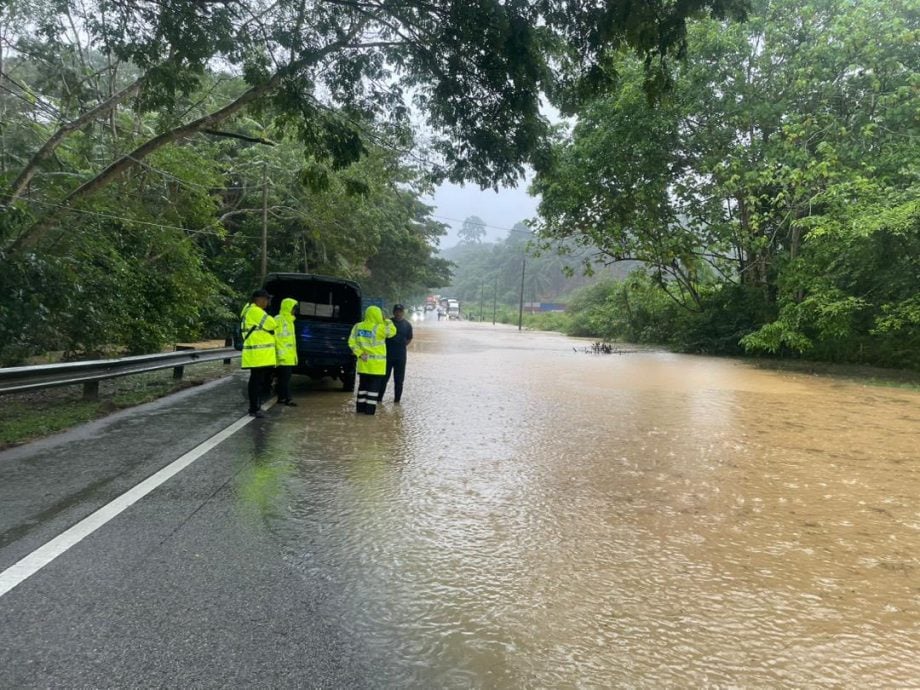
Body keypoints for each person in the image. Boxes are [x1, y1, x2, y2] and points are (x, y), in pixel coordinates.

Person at [347, 305, 396, 415]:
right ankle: (369, 414)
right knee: (373, 391)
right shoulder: (380, 328)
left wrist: (359, 353)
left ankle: (360, 411)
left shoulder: (357, 326)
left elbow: (351, 343)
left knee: (362, 388)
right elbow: (392, 332)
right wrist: (386, 320)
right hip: (377, 367)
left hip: (363, 364)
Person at [240, 288, 277, 417]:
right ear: (260, 300)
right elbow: (272, 324)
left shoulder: (249, 310)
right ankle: (254, 409)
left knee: (256, 381)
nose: (268, 302)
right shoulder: (256, 311)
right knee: (256, 382)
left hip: (257, 354)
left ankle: (255, 407)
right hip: (258, 354)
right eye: (267, 299)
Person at [381, 304, 413, 403]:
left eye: (400, 311)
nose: (398, 313)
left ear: (403, 312)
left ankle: (397, 401)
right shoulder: (387, 323)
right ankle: (379, 399)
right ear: (393, 312)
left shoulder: (407, 325)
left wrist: (401, 345)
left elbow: (409, 338)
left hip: (401, 356)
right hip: (387, 355)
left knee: (399, 381)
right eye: (397, 311)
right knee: (383, 379)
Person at [274, 297, 299, 406]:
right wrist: (279, 353)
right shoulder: (279, 319)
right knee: (285, 379)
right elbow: (276, 337)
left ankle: (281, 398)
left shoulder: (290, 321)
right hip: (282, 355)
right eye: (294, 308)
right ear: (288, 308)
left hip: (288, 355)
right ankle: (288, 398)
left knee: (283, 378)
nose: (295, 311)